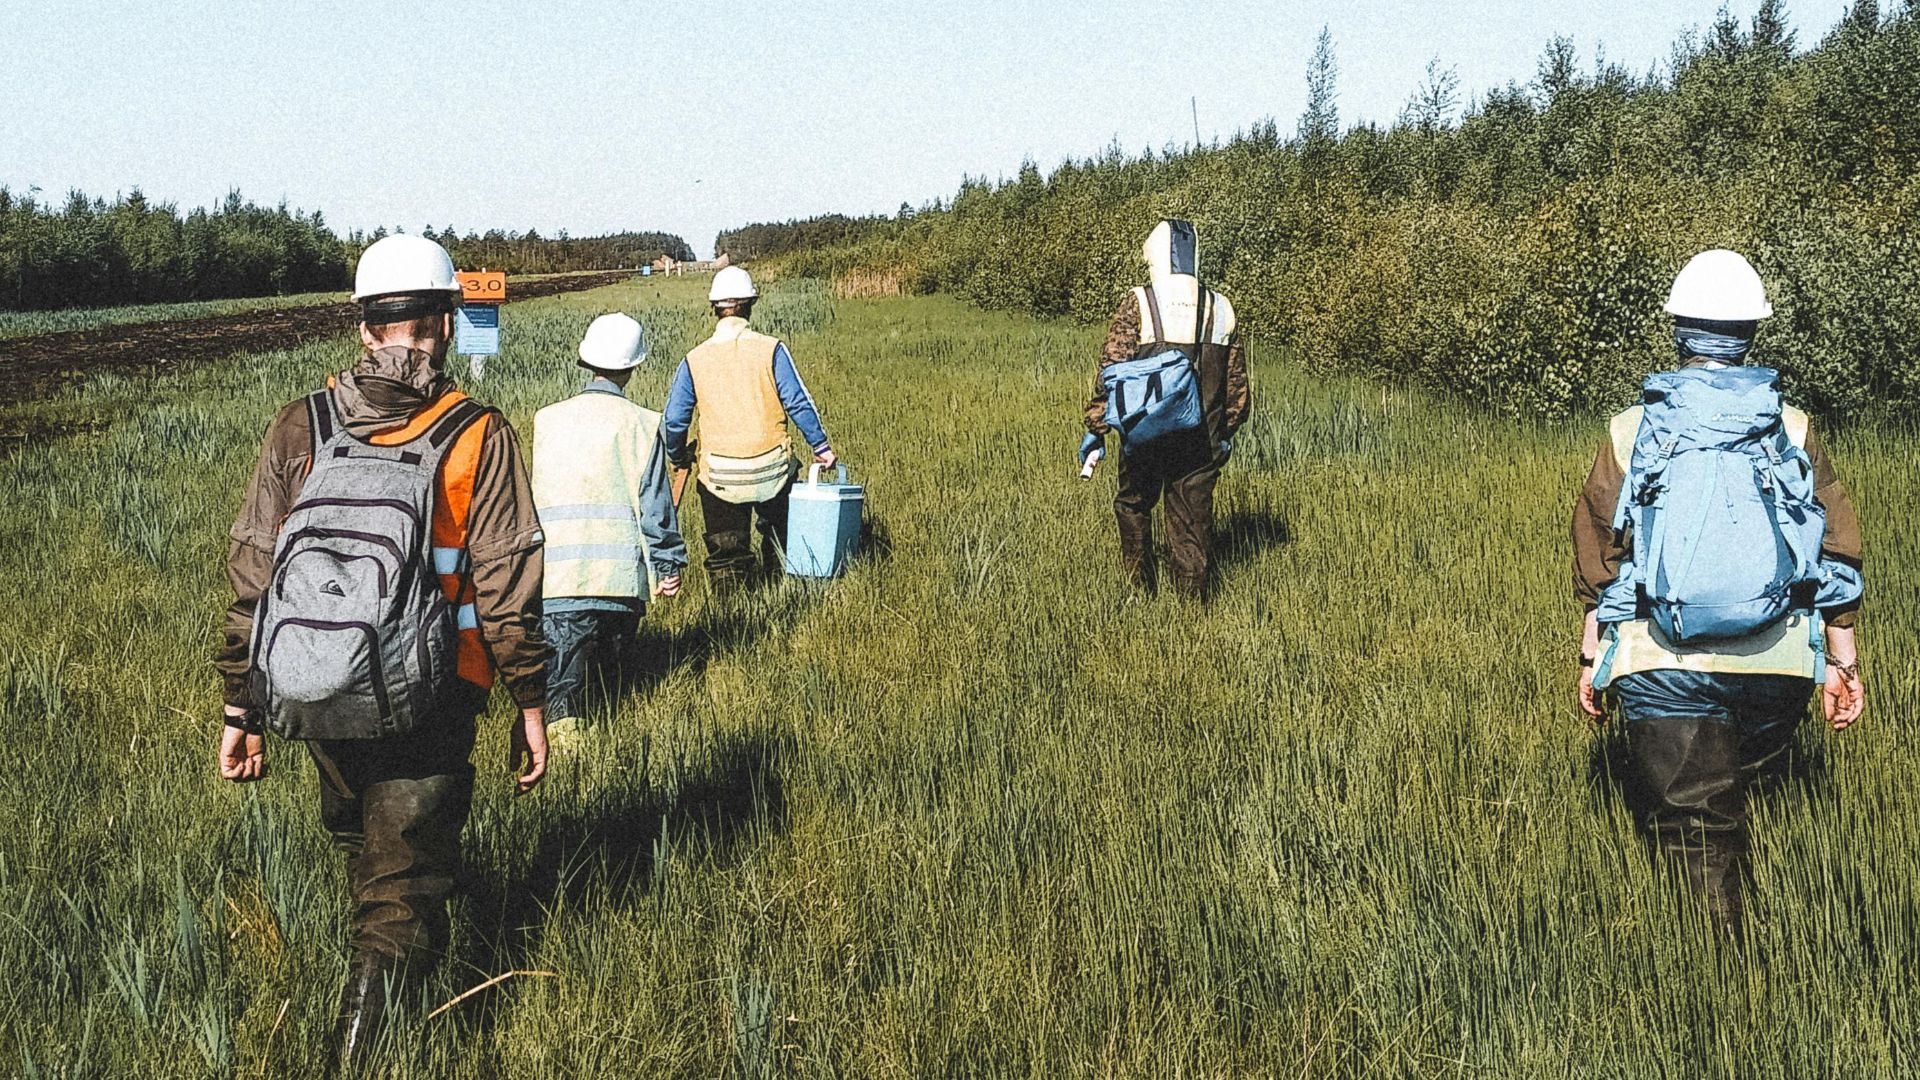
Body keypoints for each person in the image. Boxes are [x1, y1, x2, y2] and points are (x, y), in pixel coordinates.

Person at [214, 234, 549, 1069]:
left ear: (365, 326)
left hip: (316, 690)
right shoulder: (477, 434)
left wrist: (239, 704)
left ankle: (381, 975)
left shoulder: (303, 424)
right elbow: (507, 586)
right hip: (436, 693)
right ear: (446, 320)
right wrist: (532, 703)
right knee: (401, 890)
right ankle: (360, 1056)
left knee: (366, 853)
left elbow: (255, 571)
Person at [1572, 248, 1865, 935]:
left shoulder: (1630, 430)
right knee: (1739, 796)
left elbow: (1602, 562)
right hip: (1778, 663)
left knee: (1699, 831)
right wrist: (1842, 664)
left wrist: (1592, 660)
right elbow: (1834, 549)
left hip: (1662, 664)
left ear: (1678, 328)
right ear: (1750, 333)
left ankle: (1728, 995)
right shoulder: (1791, 427)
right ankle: (1775, 947)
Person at [533, 313, 687, 742]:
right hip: (619, 583)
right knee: (610, 687)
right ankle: (600, 755)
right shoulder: (641, 423)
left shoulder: (547, 419)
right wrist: (668, 565)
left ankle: (567, 763)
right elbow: (655, 504)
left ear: (587, 361)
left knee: (565, 688)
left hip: (558, 581)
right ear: (633, 367)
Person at [1082, 219, 1251, 597]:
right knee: (1191, 525)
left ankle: (1139, 593)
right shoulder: (1221, 307)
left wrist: (1096, 428)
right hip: (1199, 441)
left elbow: (1111, 371)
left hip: (1143, 434)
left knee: (1133, 506)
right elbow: (1237, 391)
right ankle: (1192, 612)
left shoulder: (1139, 301)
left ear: (1153, 256)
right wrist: (1223, 435)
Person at [663, 266, 836, 592]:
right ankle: (787, 587)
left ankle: (733, 608)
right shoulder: (771, 349)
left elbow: (674, 420)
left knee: (727, 552)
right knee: (783, 536)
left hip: (719, 477)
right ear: (750, 305)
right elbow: (798, 402)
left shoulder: (694, 359)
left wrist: (677, 456)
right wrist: (821, 447)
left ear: (714, 308)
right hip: (774, 470)